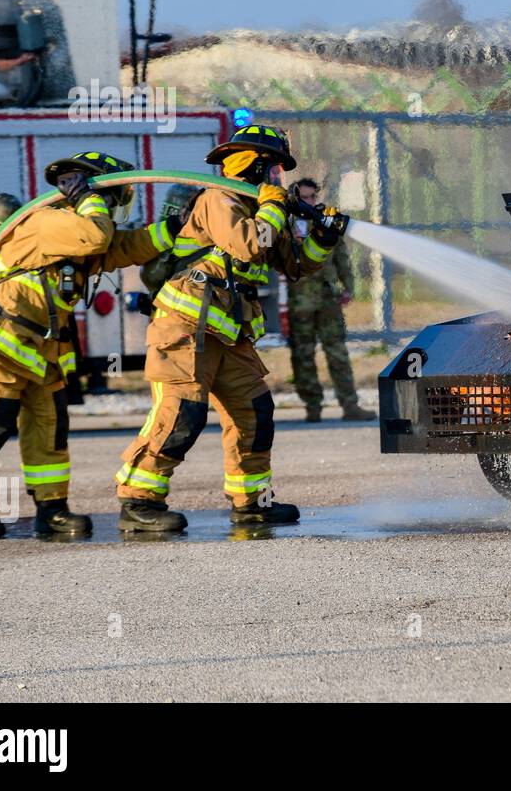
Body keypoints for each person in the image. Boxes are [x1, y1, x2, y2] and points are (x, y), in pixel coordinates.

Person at [113, 124, 345, 532]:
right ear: (256, 166)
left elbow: (295, 265)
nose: (278, 178)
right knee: (183, 413)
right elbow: (249, 245)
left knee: (254, 413)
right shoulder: (218, 199)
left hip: (228, 333)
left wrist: (323, 238)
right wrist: (273, 206)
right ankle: (139, 501)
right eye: (273, 169)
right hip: (185, 326)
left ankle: (253, 503)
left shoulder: (262, 208)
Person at [0, 152, 180, 538]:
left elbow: (122, 247)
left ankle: (52, 511)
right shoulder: (45, 221)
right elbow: (98, 236)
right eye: (113, 196)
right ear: (93, 190)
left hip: (44, 352)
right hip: (1, 346)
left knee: (50, 432)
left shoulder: (78, 228)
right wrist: (90, 199)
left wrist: (175, 228)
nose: (115, 206)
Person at [287, 177, 374, 422]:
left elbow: (342, 258)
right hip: (298, 300)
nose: (309, 201)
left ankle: (350, 405)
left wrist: (348, 288)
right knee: (302, 354)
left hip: (327, 297)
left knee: (337, 352)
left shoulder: (325, 221)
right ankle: (312, 407)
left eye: (313, 197)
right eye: (304, 197)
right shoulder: (286, 222)